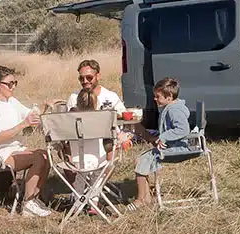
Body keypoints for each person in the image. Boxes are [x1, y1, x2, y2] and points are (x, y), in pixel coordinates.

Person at [0, 65, 51, 218]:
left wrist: (45, 105)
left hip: (14, 150)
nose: (13, 87)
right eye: (10, 83)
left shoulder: (11, 101)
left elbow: (31, 115)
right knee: (37, 158)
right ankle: (27, 204)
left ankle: (34, 199)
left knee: (46, 155)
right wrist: (23, 124)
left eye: (15, 83)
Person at [131, 77, 194, 208]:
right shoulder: (172, 107)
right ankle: (146, 197)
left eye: (157, 96)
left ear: (169, 97)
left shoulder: (173, 110)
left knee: (141, 160)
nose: (155, 99)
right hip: (174, 146)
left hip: (177, 149)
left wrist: (164, 137)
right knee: (141, 159)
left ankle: (141, 198)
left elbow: (183, 129)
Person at [65, 59, 126, 165]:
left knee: (111, 145)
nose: (85, 81)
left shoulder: (110, 96)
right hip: (78, 146)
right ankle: (76, 181)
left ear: (98, 76)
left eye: (89, 77)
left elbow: (123, 116)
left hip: (104, 146)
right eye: (81, 78)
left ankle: (99, 180)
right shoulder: (74, 97)